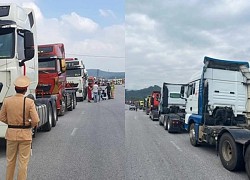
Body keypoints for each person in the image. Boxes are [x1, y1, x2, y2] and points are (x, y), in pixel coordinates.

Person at [0, 75, 40, 180]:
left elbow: (1, 117)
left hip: (11, 134)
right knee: (23, 162)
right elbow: (35, 120)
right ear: (26, 89)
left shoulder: (7, 101)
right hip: (25, 135)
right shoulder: (29, 102)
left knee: (10, 161)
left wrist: (11, 122)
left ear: (15, 88)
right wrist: (29, 125)